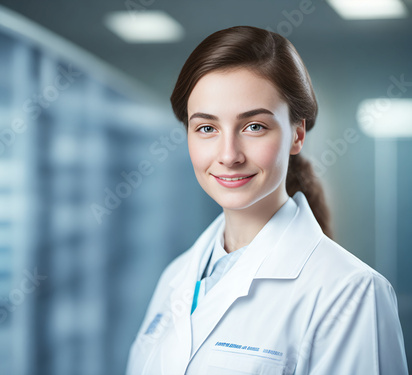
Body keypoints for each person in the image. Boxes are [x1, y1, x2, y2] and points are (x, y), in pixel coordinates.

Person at [126, 26, 408, 375]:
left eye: (254, 126)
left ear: (297, 133)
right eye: (206, 128)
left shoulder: (350, 293)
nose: (228, 155)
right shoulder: (176, 277)